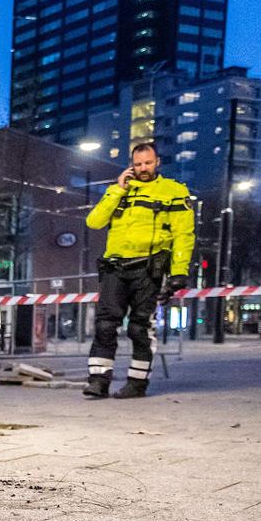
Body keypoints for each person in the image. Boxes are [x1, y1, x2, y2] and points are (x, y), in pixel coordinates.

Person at [82, 143, 195, 399]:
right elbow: (94, 221)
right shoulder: (120, 189)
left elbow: (184, 235)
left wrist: (179, 272)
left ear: (158, 162)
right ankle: (98, 382)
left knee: (140, 328)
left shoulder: (174, 192)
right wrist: (118, 190)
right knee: (105, 326)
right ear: (132, 164)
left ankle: (137, 383)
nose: (143, 168)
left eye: (148, 163)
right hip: (115, 268)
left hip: (149, 269)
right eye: (138, 164)